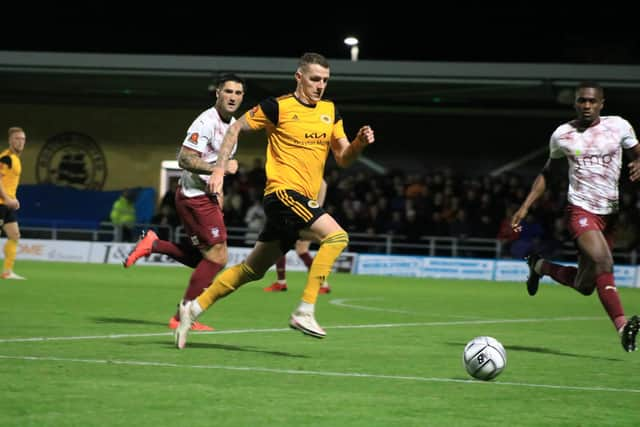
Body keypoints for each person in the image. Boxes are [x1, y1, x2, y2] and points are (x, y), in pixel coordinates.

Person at [175, 52, 375, 348]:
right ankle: (305, 310)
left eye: (325, 80)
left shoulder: (331, 111)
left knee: (251, 271)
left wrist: (358, 143)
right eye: (315, 79)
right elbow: (235, 127)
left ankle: (192, 309)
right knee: (337, 237)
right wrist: (218, 167)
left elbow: (343, 158)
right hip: (282, 194)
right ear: (299, 77)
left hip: (299, 201)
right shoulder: (277, 107)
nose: (320, 85)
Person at [511, 81, 640, 352]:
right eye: (582, 101)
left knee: (584, 285)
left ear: (602, 104)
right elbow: (548, 172)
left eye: (592, 101)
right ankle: (622, 327)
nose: (587, 105)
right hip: (580, 211)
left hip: (611, 215)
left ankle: (540, 266)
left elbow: (637, 152)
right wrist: (525, 206)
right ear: (575, 103)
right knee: (604, 262)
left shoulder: (619, 127)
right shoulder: (563, 135)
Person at [123, 73, 246, 332]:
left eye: (238, 93)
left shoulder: (233, 124)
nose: (233, 97)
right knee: (217, 257)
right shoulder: (205, 122)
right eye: (228, 92)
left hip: (206, 197)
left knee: (208, 259)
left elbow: (219, 168)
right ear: (218, 94)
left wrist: (219, 192)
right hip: (193, 198)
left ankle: (154, 244)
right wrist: (219, 169)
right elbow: (185, 159)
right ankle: (182, 316)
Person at [264, 179, 331, 293]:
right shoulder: (317, 179)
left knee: (279, 243)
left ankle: (281, 283)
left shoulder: (314, 179)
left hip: (305, 216)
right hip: (311, 215)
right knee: (301, 250)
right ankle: (322, 284)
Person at [0, 127, 27, 280]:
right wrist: (8, 198)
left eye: (23, 139)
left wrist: (13, 199)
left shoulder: (16, 159)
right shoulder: (6, 158)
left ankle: (7, 272)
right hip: (1, 203)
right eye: (17, 139)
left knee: (14, 235)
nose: (20, 142)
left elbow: (8, 183)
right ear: (10, 140)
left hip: (7, 204)